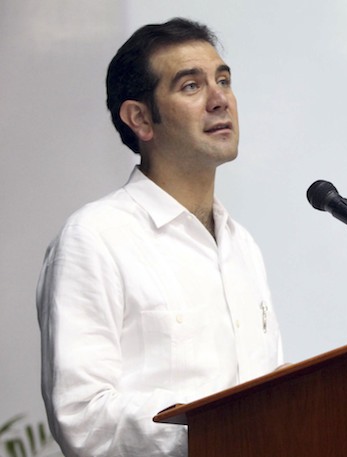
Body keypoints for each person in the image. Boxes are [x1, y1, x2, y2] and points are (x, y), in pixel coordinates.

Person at [36, 18, 283, 457]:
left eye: (223, 80)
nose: (220, 99)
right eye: (191, 86)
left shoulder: (242, 244)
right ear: (140, 118)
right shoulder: (95, 238)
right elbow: (82, 418)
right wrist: (225, 431)